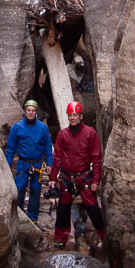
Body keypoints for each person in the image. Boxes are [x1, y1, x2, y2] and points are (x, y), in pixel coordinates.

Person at [48, 101, 105, 248]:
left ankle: (104, 236)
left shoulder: (90, 133)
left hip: (84, 177)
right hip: (67, 178)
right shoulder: (62, 134)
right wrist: (53, 178)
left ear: (81, 116)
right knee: (62, 209)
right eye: (70, 115)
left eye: (75, 115)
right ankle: (61, 238)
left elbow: (96, 159)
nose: (72, 118)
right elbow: (58, 157)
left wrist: (96, 180)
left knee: (93, 209)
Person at [6, 99, 53, 223]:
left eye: (33, 111)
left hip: (37, 163)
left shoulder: (42, 128)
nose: (31, 113)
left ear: (36, 112)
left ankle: (33, 217)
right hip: (23, 163)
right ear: (25, 111)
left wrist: (49, 163)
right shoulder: (17, 128)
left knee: (35, 190)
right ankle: (19, 215)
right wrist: (7, 164)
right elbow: (11, 148)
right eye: (28, 110)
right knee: (19, 189)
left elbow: (47, 147)